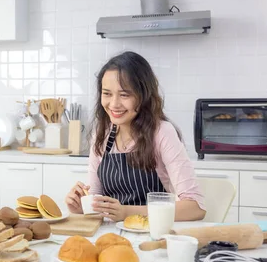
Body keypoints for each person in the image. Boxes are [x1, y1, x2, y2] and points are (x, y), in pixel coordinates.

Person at [65, 51, 205, 222]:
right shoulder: (102, 134)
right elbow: (96, 203)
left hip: (153, 235)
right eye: (107, 93)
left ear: (144, 95)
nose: (114, 104)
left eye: (124, 95)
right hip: (112, 235)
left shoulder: (162, 132)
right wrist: (81, 208)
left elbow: (195, 207)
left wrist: (126, 212)